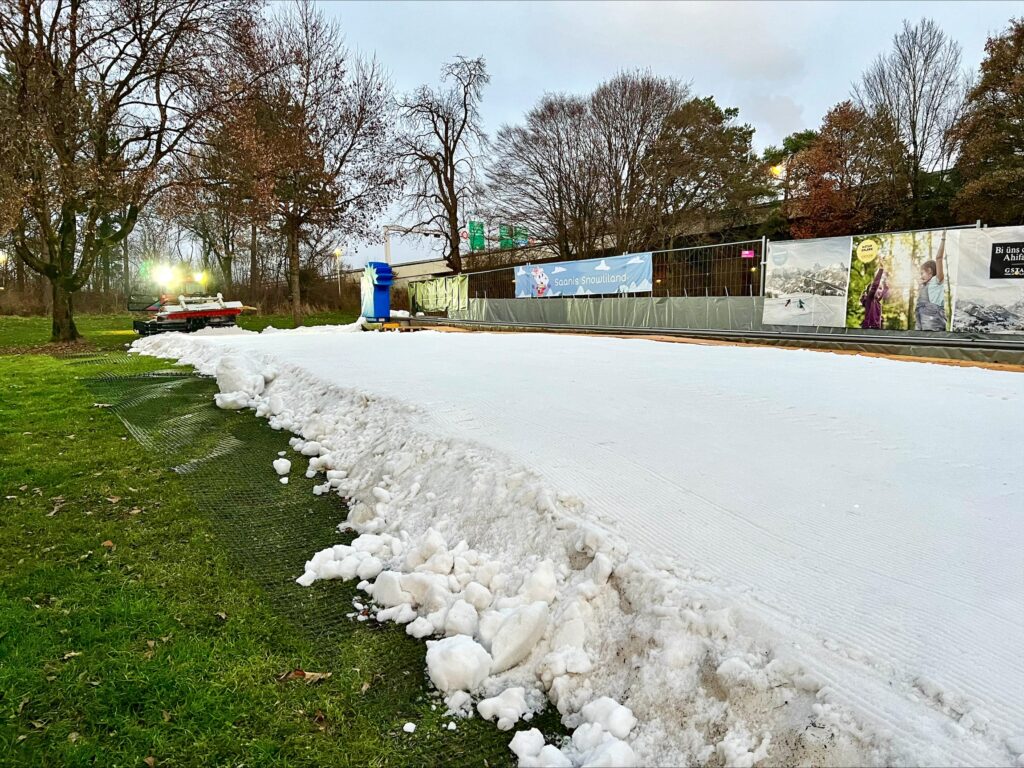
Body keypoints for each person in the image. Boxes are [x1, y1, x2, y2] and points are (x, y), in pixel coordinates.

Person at [915, 231, 947, 331]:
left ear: (929, 270)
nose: (921, 276)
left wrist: (943, 239)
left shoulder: (937, 281)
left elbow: (939, 258)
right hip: (921, 319)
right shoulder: (924, 285)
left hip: (934, 320)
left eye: (922, 273)